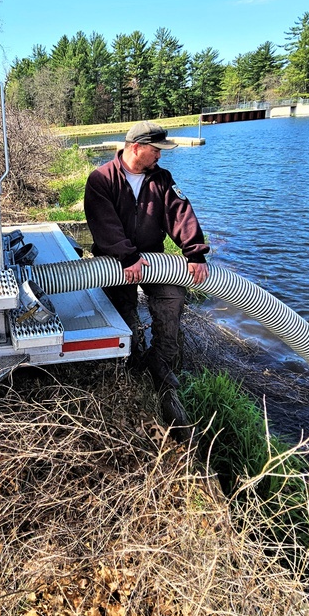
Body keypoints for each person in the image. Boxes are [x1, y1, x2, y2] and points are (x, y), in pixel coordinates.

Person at [84, 120, 210, 429]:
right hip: (115, 262)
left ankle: (162, 362)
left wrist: (194, 252)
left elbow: (180, 213)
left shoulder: (161, 179)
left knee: (173, 297)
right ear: (135, 148)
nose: (160, 157)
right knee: (124, 312)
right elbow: (104, 224)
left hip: (153, 258)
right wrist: (126, 256)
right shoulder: (101, 180)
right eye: (155, 151)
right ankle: (132, 361)